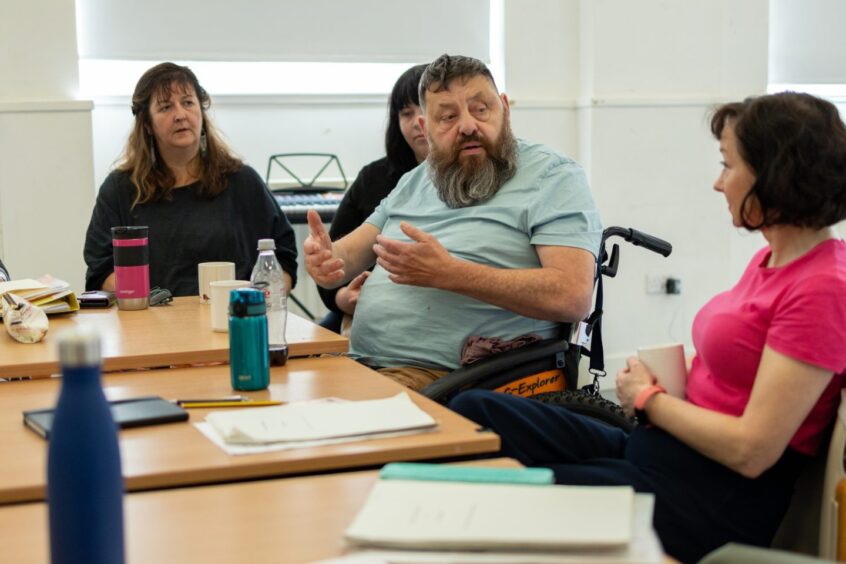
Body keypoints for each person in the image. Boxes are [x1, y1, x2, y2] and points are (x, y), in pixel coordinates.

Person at [448, 92, 846, 562]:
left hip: (702, 499)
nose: (719, 184)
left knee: (500, 490)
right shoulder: (771, 258)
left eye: (729, 166)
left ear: (773, 175)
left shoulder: (823, 288)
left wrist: (647, 400)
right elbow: (738, 368)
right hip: (661, 453)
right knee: (475, 410)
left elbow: (752, 449)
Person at [305, 54, 602, 390]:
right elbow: (349, 254)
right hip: (360, 362)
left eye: (481, 109)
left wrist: (450, 274)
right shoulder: (416, 180)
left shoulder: (553, 176)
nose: (468, 125)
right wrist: (325, 257)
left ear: (504, 108)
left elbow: (572, 297)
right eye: (447, 117)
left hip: (456, 379)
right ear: (424, 128)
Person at [84, 62, 297, 297]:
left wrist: (262, 302)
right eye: (166, 107)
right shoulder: (120, 189)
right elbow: (100, 270)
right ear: (147, 124)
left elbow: (284, 257)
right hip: (151, 325)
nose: (180, 115)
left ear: (202, 113)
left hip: (234, 320)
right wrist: (150, 303)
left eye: (187, 103)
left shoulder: (242, 181)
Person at [317, 63, 429, 331]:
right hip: (365, 311)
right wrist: (344, 298)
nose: (418, 122)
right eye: (406, 113)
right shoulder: (373, 178)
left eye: (425, 109)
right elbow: (332, 267)